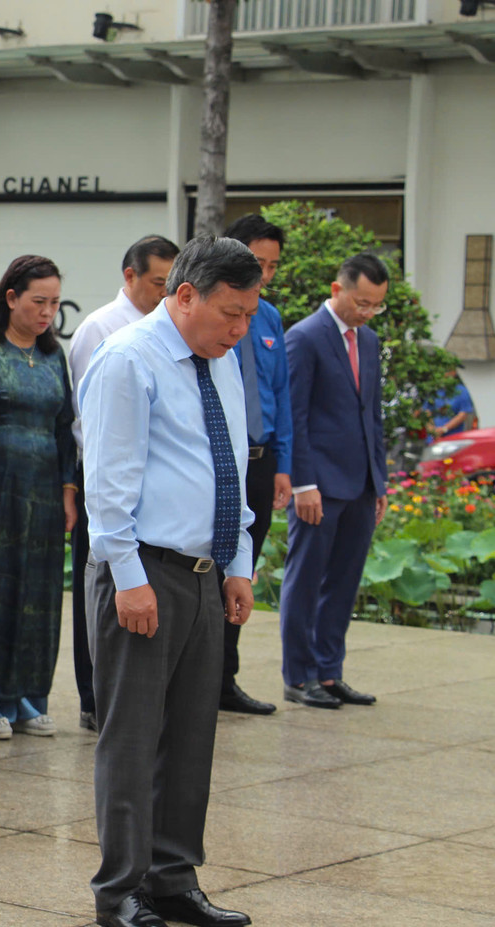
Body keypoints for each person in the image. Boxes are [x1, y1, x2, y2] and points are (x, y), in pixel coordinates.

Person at [79, 235, 259, 927]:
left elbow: (229, 464)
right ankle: (120, 888)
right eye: (229, 313)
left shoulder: (221, 360)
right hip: (144, 569)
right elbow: (108, 480)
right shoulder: (128, 359)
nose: (240, 329)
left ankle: (173, 875)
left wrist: (237, 562)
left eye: (248, 314)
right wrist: (127, 576)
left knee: (190, 732)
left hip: (204, 571)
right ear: (183, 296)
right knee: (131, 737)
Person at [0, 256, 75, 739]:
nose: (48, 312)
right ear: (11, 298)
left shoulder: (53, 356)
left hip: (45, 493)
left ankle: (27, 697)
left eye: (53, 303)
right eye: (38, 301)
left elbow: (65, 428)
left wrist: (69, 490)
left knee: (40, 597)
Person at [67, 235, 179, 733]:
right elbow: (87, 419)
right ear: (130, 276)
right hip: (106, 481)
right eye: (158, 282)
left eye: (171, 283)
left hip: (151, 492)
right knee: (100, 590)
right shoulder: (102, 329)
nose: (165, 292)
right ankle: (94, 698)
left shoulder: (173, 331)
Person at [279, 253, 388, 710]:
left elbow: (374, 417)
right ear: (337, 288)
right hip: (318, 484)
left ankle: (329, 672)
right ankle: (298, 675)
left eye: (376, 306)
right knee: (306, 581)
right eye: (361, 302)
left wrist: (379, 482)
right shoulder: (304, 338)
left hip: (360, 483)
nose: (366, 312)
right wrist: (304, 484)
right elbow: (294, 417)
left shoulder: (370, 342)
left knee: (343, 583)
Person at [220, 215, 294, 716]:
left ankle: (226, 680)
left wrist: (285, 464)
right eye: (256, 263)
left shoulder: (268, 319)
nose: (264, 274)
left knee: (243, 569)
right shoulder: (211, 314)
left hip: (262, 461)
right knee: (210, 569)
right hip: (223, 459)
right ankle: (199, 679)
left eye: (271, 266)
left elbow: (281, 396)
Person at [426, 369, 477, 441]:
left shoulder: (461, 391)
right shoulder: (433, 390)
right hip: (432, 439)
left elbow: (463, 414)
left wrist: (443, 429)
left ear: (453, 373)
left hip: (452, 439)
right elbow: (427, 411)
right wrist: (433, 431)